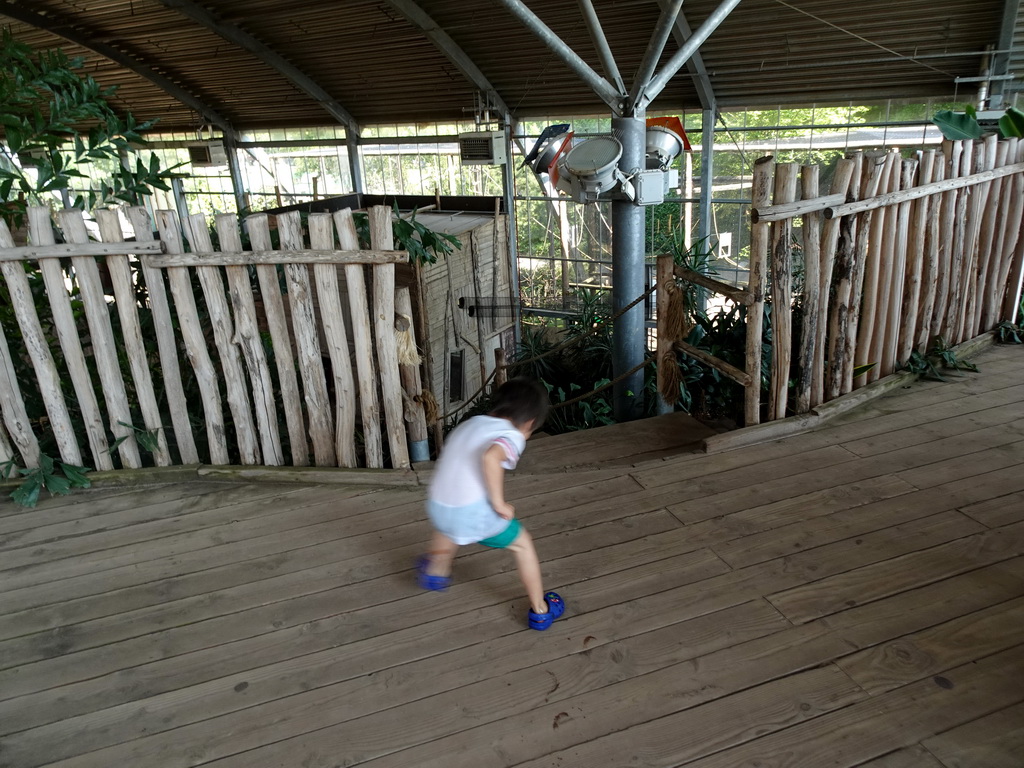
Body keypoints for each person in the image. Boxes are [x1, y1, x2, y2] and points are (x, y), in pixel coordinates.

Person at [417, 377, 565, 630]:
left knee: (450, 527)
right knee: (523, 545)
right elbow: (491, 457)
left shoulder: (471, 424)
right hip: (470, 514)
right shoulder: (511, 434)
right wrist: (499, 503)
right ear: (529, 424)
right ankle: (541, 610)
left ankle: (435, 572)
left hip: (437, 506)